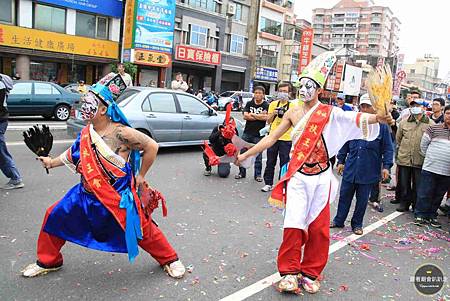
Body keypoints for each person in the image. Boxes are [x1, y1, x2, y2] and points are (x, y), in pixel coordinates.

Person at [236, 52, 392, 294]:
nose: (304, 89)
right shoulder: (291, 112)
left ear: (319, 90)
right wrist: (246, 154)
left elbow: (355, 118)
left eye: (309, 86)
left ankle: (310, 272)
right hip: (298, 176)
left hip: (321, 178)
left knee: (319, 228)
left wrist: (378, 117)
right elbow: (271, 138)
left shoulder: (330, 113)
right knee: (293, 224)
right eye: (301, 84)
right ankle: (288, 272)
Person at [21, 74, 185, 279]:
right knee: (53, 215)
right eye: (84, 102)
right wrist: (50, 162)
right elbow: (73, 154)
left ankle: (170, 259)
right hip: (85, 194)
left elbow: (152, 146)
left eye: (89, 103)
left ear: (103, 109)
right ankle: (48, 260)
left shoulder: (122, 133)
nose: (83, 107)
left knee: (142, 229)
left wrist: (141, 175)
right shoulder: (87, 132)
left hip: (116, 197)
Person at [331, 94, 394, 234]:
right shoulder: (354, 122)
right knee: (344, 196)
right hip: (351, 167)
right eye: (362, 106)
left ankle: (357, 224)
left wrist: (386, 167)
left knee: (362, 200)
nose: (364, 109)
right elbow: (345, 142)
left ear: (373, 108)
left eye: (368, 106)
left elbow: (388, 148)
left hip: (368, 170)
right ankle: (338, 220)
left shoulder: (382, 127)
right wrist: (341, 160)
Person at [414, 105, 450, 228]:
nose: (449, 116)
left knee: (438, 195)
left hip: (447, 171)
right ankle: (420, 215)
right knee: (425, 192)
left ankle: (431, 215)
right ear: (444, 114)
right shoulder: (433, 128)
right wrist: (431, 158)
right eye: (448, 113)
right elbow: (423, 146)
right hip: (430, 167)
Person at [395, 99, 433, 212]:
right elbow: (398, 139)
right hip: (405, 158)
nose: (415, 107)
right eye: (413, 105)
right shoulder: (404, 122)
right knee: (404, 183)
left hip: (420, 159)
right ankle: (404, 203)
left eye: (418, 105)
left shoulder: (431, 124)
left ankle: (416, 205)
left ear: (424, 108)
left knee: (419, 185)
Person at [261, 82, 295, 192]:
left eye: (285, 91)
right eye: (281, 91)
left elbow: (295, 122)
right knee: (270, 161)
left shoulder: (293, 106)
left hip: (286, 138)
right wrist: (274, 113)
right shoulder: (273, 104)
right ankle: (268, 183)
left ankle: (283, 184)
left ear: (289, 93)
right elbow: (268, 120)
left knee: (284, 162)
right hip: (273, 137)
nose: (283, 93)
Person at [235, 86, 269, 182]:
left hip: (259, 134)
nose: (257, 94)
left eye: (259, 93)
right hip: (247, 132)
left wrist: (252, 115)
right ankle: (241, 172)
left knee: (258, 156)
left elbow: (266, 118)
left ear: (263, 95)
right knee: (242, 153)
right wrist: (259, 116)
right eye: (256, 93)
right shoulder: (249, 103)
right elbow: (245, 116)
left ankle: (258, 175)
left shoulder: (266, 105)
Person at [0, 74, 24, 189]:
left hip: (0, 120)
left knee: (1, 152)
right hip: (2, 119)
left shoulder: (0, 84)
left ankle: (16, 178)